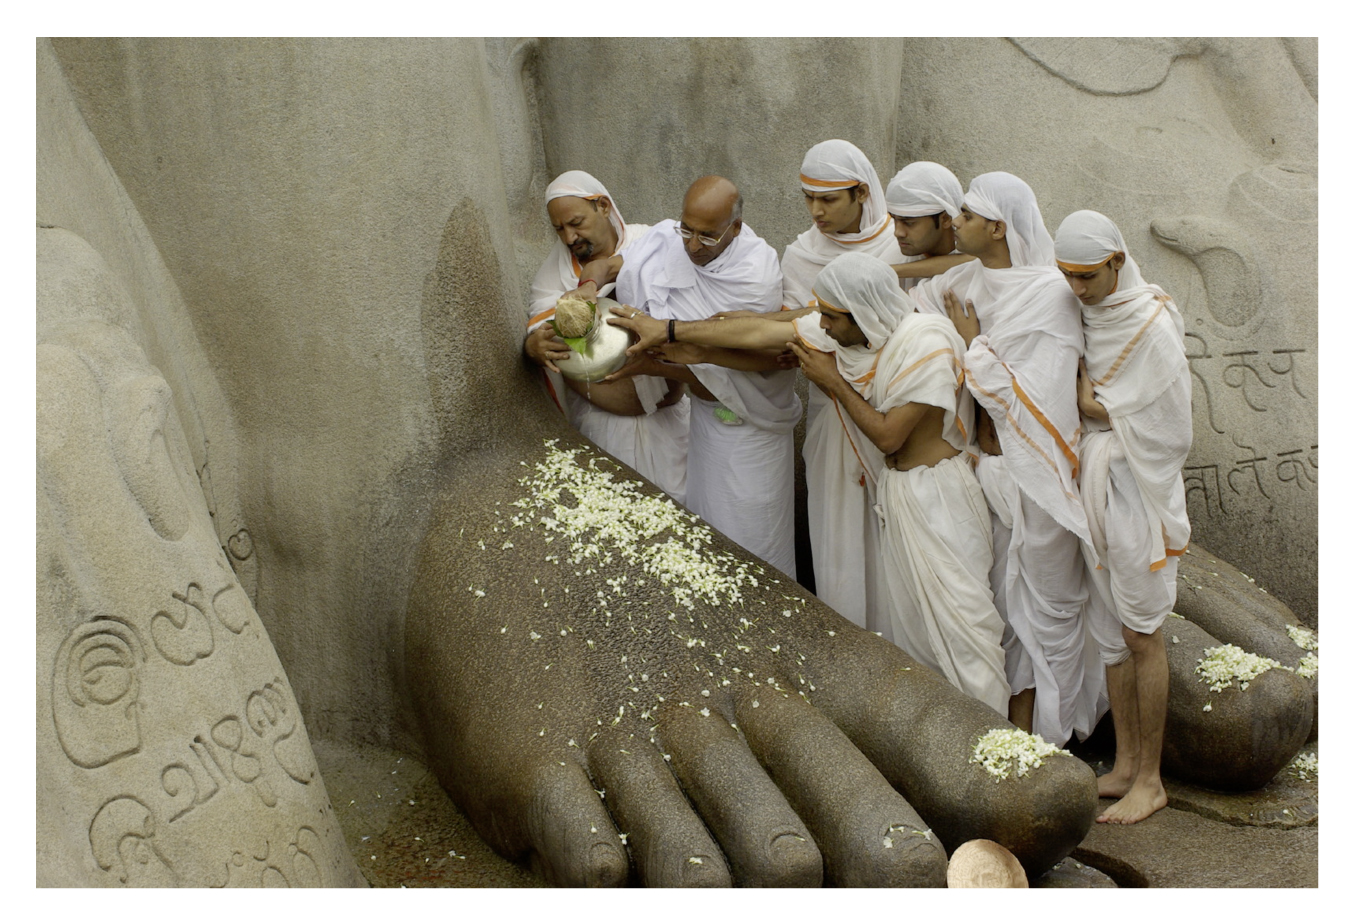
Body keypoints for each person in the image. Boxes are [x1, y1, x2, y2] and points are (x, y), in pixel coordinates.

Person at [609, 253, 1010, 713]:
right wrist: (681, 339)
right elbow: (762, 332)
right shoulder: (856, 333)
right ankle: (952, 746)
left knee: (965, 631)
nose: (822, 324)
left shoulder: (926, 345)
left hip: (939, 497)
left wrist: (832, 381)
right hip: (899, 495)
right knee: (914, 629)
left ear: (864, 313)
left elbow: (887, 435)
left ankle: (1000, 747)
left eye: (831, 317)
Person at [909, 172, 1103, 747]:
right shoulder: (962, 279)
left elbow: (1038, 397)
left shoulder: (1048, 294)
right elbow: (898, 324)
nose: (954, 223)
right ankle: (1010, 732)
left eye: (965, 215)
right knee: (999, 602)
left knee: (1048, 609)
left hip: (1035, 477)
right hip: (981, 469)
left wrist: (973, 344)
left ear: (996, 226)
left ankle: (1053, 737)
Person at [1055, 210, 1191, 824]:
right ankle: (1127, 765)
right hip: (1095, 480)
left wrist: (1091, 402)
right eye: (1068, 277)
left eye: (1087, 276)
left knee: (1141, 632)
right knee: (1111, 634)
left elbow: (1172, 429)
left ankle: (1154, 780)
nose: (1077, 289)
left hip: (1135, 488)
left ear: (1116, 261)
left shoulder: (1153, 323)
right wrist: (1091, 409)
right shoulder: (1083, 309)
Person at [609, 176, 801, 576]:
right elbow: (616, 265)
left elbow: (726, 368)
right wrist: (589, 286)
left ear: (736, 227)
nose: (693, 246)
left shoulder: (755, 276)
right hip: (705, 426)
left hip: (755, 431)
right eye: (687, 230)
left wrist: (655, 360)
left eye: (708, 236)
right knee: (709, 538)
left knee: (755, 546)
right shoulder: (665, 242)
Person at [782, 140, 904, 635]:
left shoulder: (900, 246)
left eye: (828, 199)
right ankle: (851, 648)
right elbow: (801, 332)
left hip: (896, 416)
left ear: (860, 193)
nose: (816, 211)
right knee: (838, 534)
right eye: (808, 198)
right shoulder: (800, 255)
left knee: (893, 543)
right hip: (830, 412)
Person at [523, 171, 689, 502]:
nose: (570, 237)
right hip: (603, 430)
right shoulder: (552, 277)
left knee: (690, 514)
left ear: (602, 206)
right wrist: (533, 346)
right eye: (559, 229)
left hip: (672, 424)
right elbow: (541, 335)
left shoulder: (650, 245)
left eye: (576, 223)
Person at [884, 160, 972, 290]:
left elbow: (974, 261)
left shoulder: (982, 266)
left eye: (909, 223)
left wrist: (895, 271)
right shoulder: (891, 260)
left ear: (946, 219)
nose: (898, 232)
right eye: (894, 220)